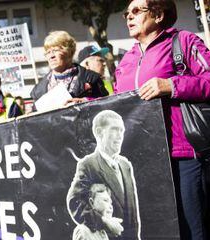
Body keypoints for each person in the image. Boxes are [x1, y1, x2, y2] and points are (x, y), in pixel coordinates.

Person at [115, 0, 210, 239]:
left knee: (193, 231)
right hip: (145, 161)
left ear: (158, 14)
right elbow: (118, 103)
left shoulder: (184, 41)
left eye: (137, 11)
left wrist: (171, 85)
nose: (129, 16)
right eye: (127, 13)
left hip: (184, 155)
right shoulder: (126, 59)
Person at [67, 110, 140, 240]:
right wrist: (103, 222)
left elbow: (132, 213)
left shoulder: (125, 165)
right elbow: (75, 202)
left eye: (121, 130)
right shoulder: (88, 164)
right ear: (99, 132)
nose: (119, 136)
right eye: (114, 129)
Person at [30, 31, 108, 105]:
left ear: (69, 52)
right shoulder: (38, 90)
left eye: (55, 50)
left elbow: (106, 104)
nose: (51, 56)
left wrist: (85, 101)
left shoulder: (91, 78)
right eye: (48, 52)